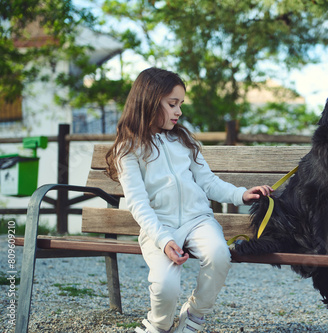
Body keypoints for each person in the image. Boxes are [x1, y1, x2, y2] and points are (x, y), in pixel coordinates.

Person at [105, 67, 272, 333]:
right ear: (148, 102)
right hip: (160, 227)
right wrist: (164, 240)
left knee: (219, 255)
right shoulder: (128, 149)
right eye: (172, 104)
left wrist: (241, 194)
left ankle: (194, 315)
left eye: (180, 104)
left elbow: (208, 182)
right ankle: (159, 325)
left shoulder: (182, 140)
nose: (179, 111)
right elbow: (137, 203)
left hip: (198, 220)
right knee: (165, 287)